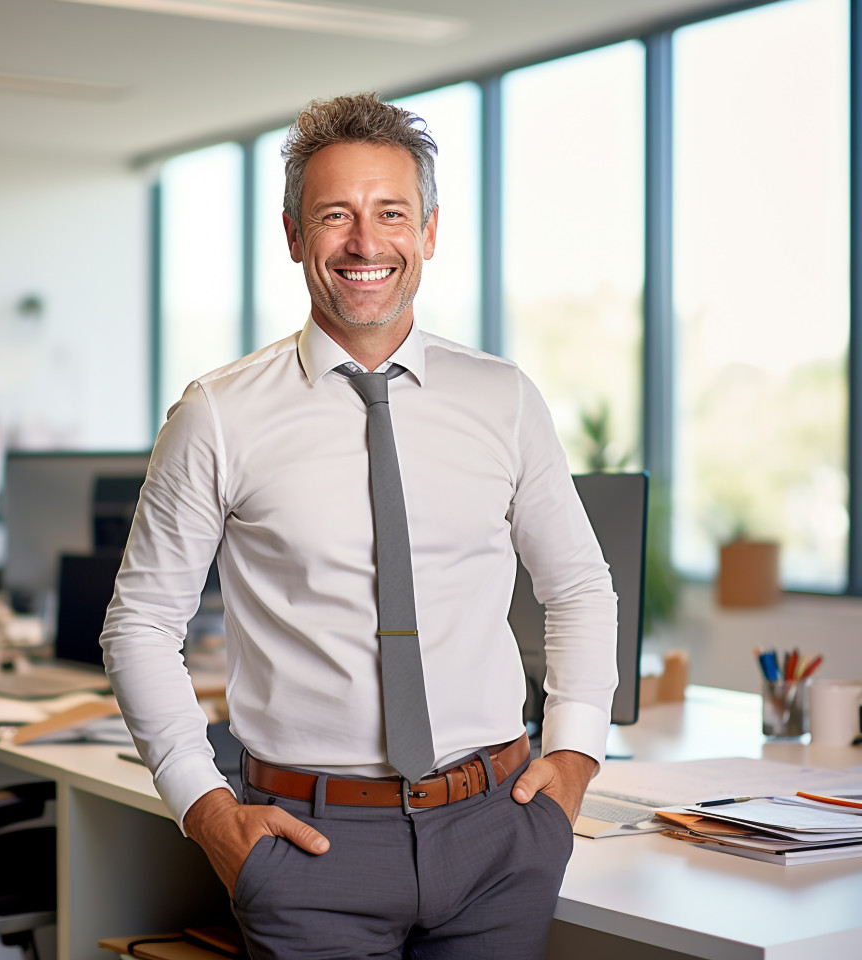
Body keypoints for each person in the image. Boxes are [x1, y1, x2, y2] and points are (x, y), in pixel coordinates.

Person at [101, 92, 618, 960]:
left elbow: (578, 586)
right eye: (335, 215)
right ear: (294, 233)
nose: (365, 243)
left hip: (499, 834)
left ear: (430, 229)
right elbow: (142, 625)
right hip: (312, 850)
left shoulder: (503, 399)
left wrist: (573, 760)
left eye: (391, 214)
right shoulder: (219, 415)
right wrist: (206, 809)